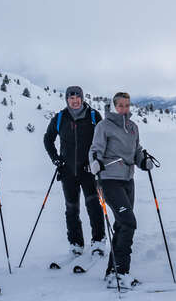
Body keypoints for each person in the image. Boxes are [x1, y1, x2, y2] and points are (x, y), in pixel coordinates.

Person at [89, 91, 155, 288]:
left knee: (120, 225)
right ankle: (121, 273)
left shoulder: (133, 127)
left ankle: (113, 272)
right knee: (128, 223)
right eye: (121, 105)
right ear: (114, 106)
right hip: (109, 180)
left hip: (128, 180)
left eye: (127, 105)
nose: (124, 109)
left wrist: (143, 161)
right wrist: (95, 162)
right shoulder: (104, 126)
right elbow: (95, 149)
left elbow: (136, 151)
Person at [43, 85, 106, 258]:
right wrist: (56, 159)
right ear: (67, 99)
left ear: (82, 98)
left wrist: (95, 161)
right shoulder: (60, 117)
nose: (75, 100)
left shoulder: (93, 116)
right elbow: (48, 139)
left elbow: (102, 140)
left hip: (88, 170)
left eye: (77, 97)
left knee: (94, 205)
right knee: (71, 209)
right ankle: (76, 243)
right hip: (68, 171)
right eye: (71, 98)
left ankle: (98, 241)